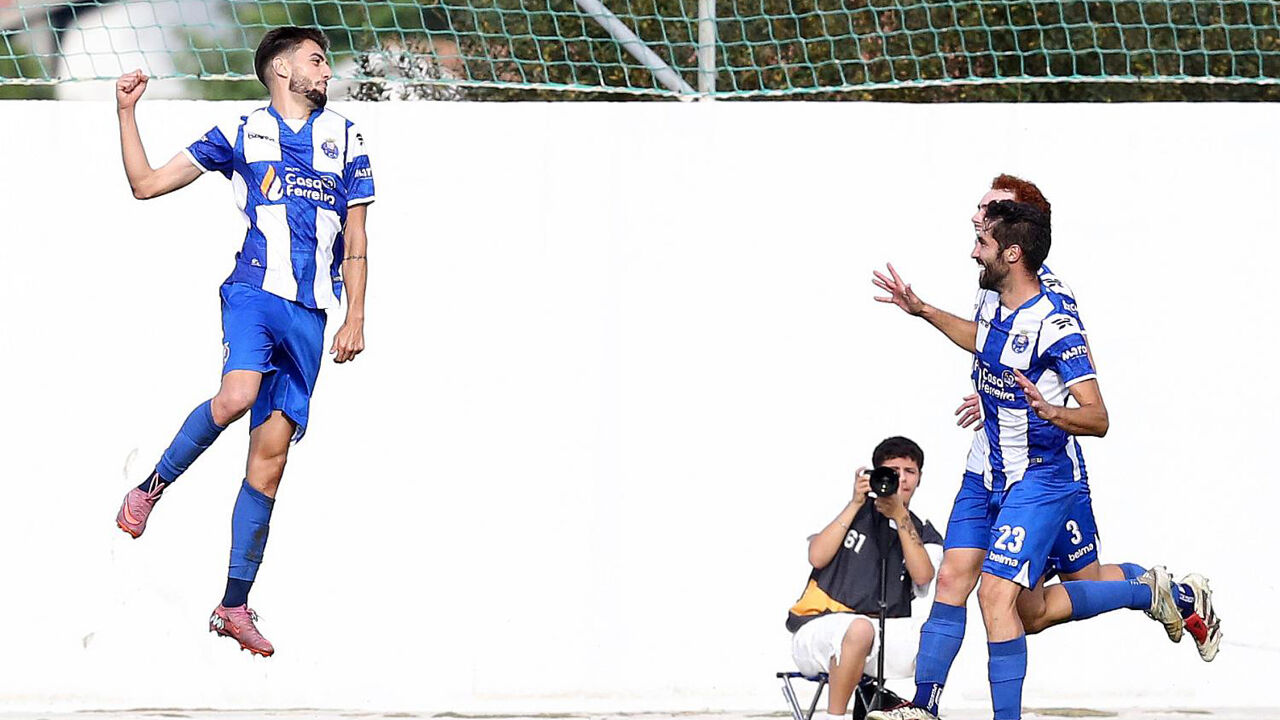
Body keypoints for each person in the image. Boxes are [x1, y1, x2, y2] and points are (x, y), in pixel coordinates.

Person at [865, 201, 1198, 720]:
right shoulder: (992, 300)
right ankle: (923, 707)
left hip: (1040, 479)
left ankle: (1144, 593)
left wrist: (1052, 410)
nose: (974, 249)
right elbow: (983, 343)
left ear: (1013, 253)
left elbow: (1099, 417)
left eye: (983, 242)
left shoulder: (1056, 323)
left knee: (1000, 597)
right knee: (963, 582)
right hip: (987, 471)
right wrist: (924, 310)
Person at [112, 25, 374, 657]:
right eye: (316, 60)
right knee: (234, 396)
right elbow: (145, 184)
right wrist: (126, 113)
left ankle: (233, 605)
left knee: (270, 462)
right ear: (282, 70)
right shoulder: (239, 132)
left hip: (311, 316)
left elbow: (358, 240)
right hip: (254, 295)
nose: (326, 71)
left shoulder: (348, 137)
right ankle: (150, 488)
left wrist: (355, 316)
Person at [954, 176, 1220, 655]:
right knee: (1038, 606)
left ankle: (1160, 592)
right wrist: (993, 399)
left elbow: (1079, 377)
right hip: (1014, 463)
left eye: (992, 207)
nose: (979, 214)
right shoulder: (995, 278)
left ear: (1021, 228)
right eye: (981, 206)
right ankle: (1174, 594)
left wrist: (1040, 406)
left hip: (1049, 467)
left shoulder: (1051, 294)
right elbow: (996, 350)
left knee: (1032, 595)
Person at [788, 437, 944, 720]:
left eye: (910, 471)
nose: (901, 479)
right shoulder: (849, 510)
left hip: (883, 633)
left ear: (920, 478)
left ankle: (918, 709)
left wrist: (900, 518)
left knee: (940, 634)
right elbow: (817, 556)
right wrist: (855, 503)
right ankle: (834, 717)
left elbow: (923, 576)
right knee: (859, 629)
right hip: (819, 625)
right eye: (892, 471)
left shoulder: (924, 531)